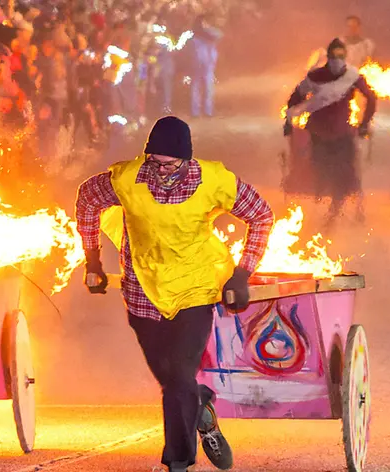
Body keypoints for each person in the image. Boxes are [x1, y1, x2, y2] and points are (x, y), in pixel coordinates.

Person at [75, 116, 274, 472]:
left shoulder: (213, 180)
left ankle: (178, 462)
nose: (161, 171)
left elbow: (261, 215)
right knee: (171, 380)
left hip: (193, 290)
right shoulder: (127, 178)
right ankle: (201, 404)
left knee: (180, 376)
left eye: (170, 164)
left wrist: (242, 273)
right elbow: (88, 199)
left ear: (186, 159)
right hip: (143, 292)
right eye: (154, 162)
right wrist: (92, 260)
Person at [285, 38, 377, 223]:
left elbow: (371, 98)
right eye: (334, 56)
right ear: (328, 57)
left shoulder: (352, 76)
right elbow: (296, 96)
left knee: (344, 172)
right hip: (318, 133)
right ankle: (327, 203)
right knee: (321, 170)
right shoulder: (315, 76)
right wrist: (289, 119)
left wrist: (364, 124)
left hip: (342, 133)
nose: (337, 59)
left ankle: (336, 208)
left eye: (340, 55)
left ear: (345, 57)